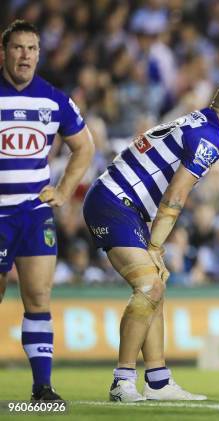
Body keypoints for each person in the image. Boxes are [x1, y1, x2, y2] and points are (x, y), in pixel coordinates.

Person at [82, 82, 219, 402]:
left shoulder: (197, 122)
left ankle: (158, 381)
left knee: (156, 286)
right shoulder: (211, 138)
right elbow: (177, 195)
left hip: (121, 203)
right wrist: (156, 246)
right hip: (115, 203)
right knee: (149, 287)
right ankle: (122, 382)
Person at [0, 20, 95, 401]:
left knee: (38, 297)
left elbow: (84, 146)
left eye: (32, 49)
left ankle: (42, 389)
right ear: (3, 52)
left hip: (33, 213)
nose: (25, 55)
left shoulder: (53, 99)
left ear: (39, 54)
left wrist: (64, 189)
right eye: (18, 48)